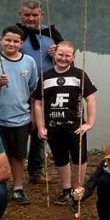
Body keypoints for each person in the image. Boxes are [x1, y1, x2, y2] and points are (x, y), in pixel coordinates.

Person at [0, 0, 64, 185]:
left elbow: (67, 62)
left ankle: (36, 169)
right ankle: (6, 172)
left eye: (35, 15)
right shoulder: (13, 35)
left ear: (42, 15)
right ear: (20, 15)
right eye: (27, 15)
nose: (31, 19)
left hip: (46, 90)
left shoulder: (51, 34)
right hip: (17, 92)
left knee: (40, 130)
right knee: (18, 130)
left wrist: (58, 56)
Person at [33, 41, 97, 206]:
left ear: (73, 57)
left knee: (79, 158)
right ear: (54, 54)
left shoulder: (79, 75)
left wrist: (89, 122)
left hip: (75, 127)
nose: (63, 58)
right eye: (60, 54)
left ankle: (78, 190)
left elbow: (90, 99)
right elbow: (38, 103)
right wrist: (41, 126)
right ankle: (66, 190)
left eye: (68, 55)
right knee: (60, 158)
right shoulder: (46, 76)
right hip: (54, 126)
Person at [0, 25, 39, 205]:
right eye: (8, 40)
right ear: (1, 40)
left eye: (16, 41)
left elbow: (33, 90)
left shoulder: (29, 62)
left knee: (18, 155)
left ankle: (18, 188)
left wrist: (33, 116)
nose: (11, 44)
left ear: (21, 43)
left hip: (21, 118)